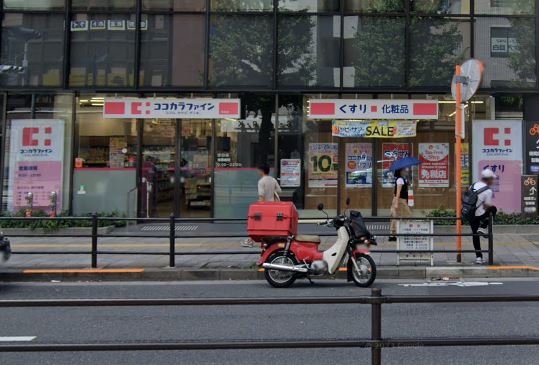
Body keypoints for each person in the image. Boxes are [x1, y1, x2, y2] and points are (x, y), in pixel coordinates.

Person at [469, 168, 497, 264]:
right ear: (488, 179)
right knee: (493, 208)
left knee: (475, 234)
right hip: (479, 215)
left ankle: (478, 257)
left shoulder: (473, 185)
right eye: (492, 179)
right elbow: (487, 206)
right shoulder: (488, 190)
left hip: (470, 213)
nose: (493, 181)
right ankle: (483, 226)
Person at [389, 168, 412, 241]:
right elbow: (398, 192)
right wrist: (396, 203)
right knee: (407, 215)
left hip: (399, 200)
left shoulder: (401, 179)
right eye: (404, 170)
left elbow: (395, 192)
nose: (406, 171)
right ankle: (401, 233)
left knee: (395, 217)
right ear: (400, 171)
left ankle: (393, 235)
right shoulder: (400, 180)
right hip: (400, 201)